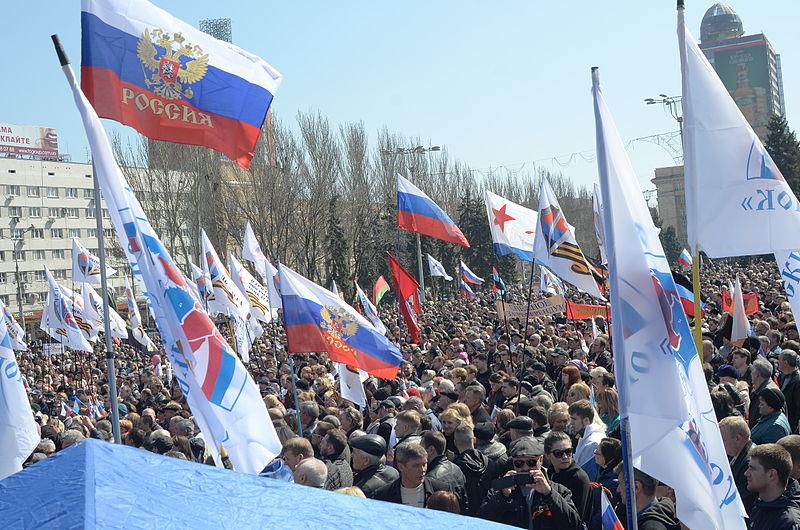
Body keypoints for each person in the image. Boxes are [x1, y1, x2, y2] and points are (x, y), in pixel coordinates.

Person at [478, 437, 583, 529]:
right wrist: (503, 496)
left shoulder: (559, 490)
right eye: (519, 463)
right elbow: (481, 522)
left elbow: (574, 525)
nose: (525, 468)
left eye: (531, 462)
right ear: (513, 463)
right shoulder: (500, 488)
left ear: (541, 460)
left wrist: (549, 494)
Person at [373, 443, 452, 508]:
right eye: (416, 465)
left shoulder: (442, 491)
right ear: (401, 467)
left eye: (424, 464)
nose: (422, 470)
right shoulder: (383, 496)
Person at [746, 443, 800, 529]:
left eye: (753, 468)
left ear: (771, 474)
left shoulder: (788, 523)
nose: (746, 473)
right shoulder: (760, 506)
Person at [544, 430, 592, 523]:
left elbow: (578, 518)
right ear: (547, 455)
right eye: (558, 453)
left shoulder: (578, 478)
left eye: (568, 451)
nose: (565, 457)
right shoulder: (549, 472)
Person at [615, 464, 680, 530]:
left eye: (620, 483)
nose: (618, 490)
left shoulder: (651, 527)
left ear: (636, 487)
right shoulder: (656, 517)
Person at [421, 430, 468, 512]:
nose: (419, 452)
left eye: (421, 447)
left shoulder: (431, 479)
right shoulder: (456, 468)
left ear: (431, 450)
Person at [719, 415, 757, 515]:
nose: (720, 444)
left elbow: (742, 500)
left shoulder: (749, 464)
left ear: (737, 438)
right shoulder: (736, 453)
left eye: (723, 440)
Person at [452, 425, 489, 516]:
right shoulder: (489, 462)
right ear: (474, 440)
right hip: (488, 512)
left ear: (455, 443)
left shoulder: (455, 468)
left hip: (467, 515)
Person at [568, 400, 606, 481]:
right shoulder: (586, 435)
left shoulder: (593, 443)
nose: (571, 423)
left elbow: (589, 476)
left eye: (574, 419)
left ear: (586, 420)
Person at [749, 358, 780, 427]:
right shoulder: (759, 389)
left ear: (757, 374)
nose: (750, 373)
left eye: (752, 371)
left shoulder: (770, 392)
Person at [778, 350, 800, 434]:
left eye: (779, 359)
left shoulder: (797, 381)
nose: (777, 362)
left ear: (785, 362)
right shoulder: (782, 376)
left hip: (792, 424)